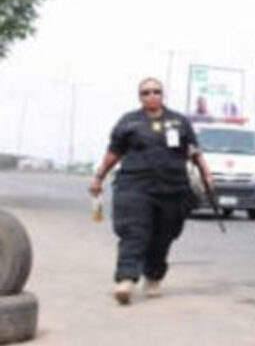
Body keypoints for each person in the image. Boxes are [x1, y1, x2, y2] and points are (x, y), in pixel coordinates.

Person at [89, 77, 215, 305]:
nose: (151, 96)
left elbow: (194, 151)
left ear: (162, 94)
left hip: (172, 188)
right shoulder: (128, 122)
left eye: (156, 91)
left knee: (163, 236)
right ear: (140, 97)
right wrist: (99, 177)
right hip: (135, 186)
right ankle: (126, 279)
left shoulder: (179, 122)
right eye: (145, 93)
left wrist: (206, 173)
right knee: (134, 232)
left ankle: (153, 277)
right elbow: (114, 153)